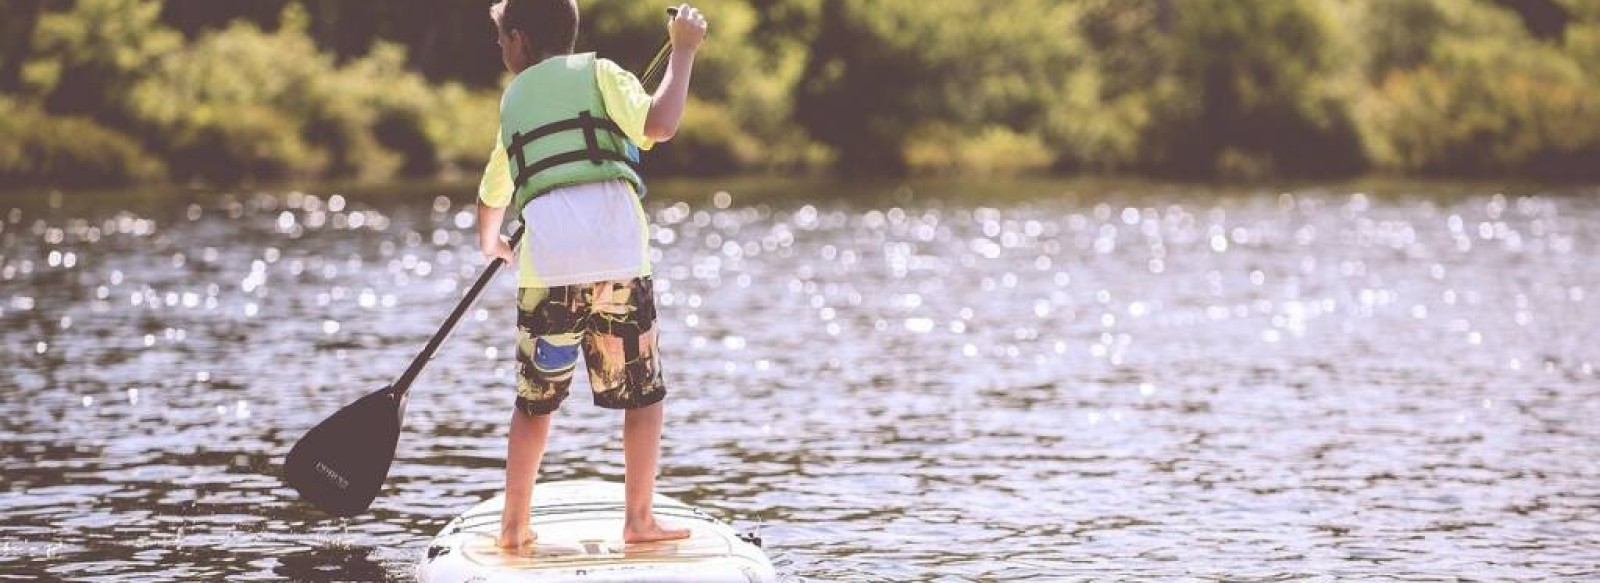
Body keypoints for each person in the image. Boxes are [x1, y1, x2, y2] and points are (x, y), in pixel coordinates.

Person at [475, 0, 707, 550]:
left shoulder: (514, 101)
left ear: (521, 41)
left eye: (502, 40)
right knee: (641, 396)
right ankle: (639, 521)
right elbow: (661, 122)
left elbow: (494, 190)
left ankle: (512, 527)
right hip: (620, 264)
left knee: (535, 402)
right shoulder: (603, 73)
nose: (502, 50)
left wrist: (491, 242)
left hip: (549, 269)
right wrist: (683, 51)